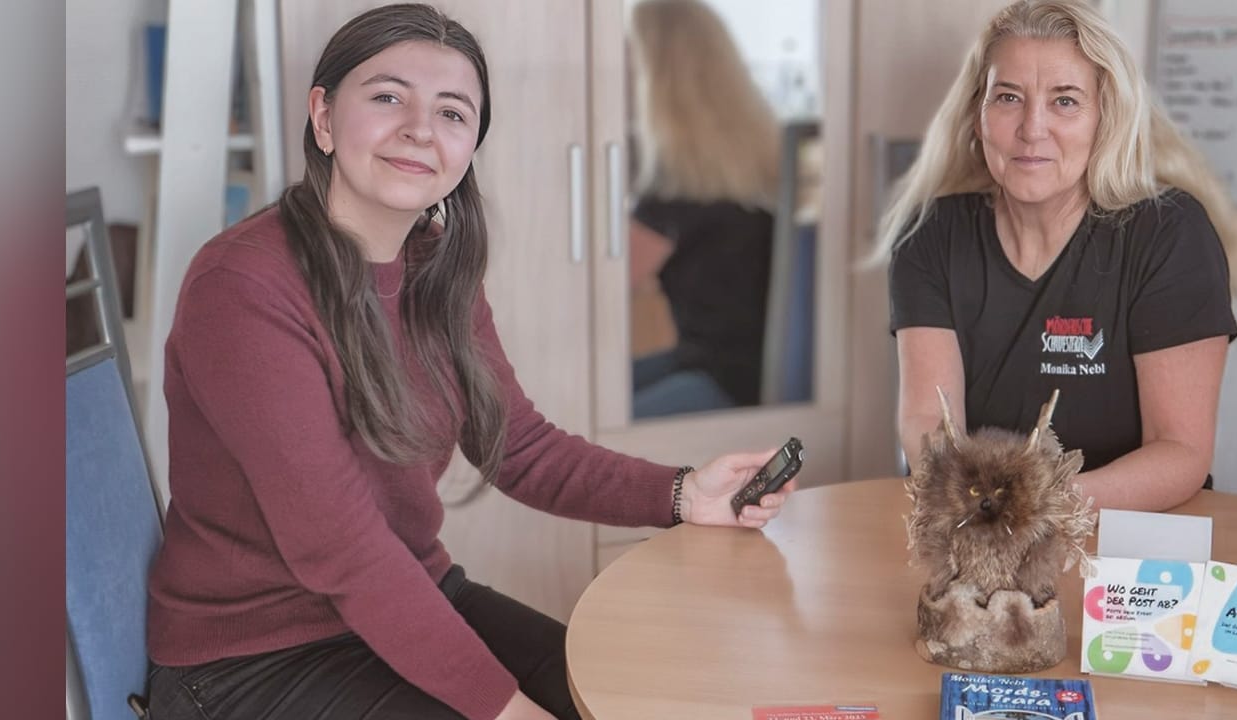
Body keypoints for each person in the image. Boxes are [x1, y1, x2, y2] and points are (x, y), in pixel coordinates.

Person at [141, 6, 798, 720]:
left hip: (408, 598)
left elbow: (519, 446)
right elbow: (341, 550)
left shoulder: (433, 265)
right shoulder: (243, 287)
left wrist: (682, 495)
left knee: (626, 698)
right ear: (324, 118)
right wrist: (507, 712)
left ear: (467, 150)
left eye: (452, 113)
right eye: (388, 96)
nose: (420, 128)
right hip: (256, 663)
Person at [874, 0, 1237, 513]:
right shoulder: (929, 236)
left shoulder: (1168, 235)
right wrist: (979, 524)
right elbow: (930, 423)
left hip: (1126, 544)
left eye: (1065, 101)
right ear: (978, 116)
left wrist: (1028, 510)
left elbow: (1181, 451)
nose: (1032, 128)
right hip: (978, 536)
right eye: (1008, 97)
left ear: (1106, 119)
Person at [625, 0, 781, 418]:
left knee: (578, 421)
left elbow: (604, 285)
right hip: (739, 370)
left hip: (719, 381)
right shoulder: (755, 162)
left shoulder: (675, 187)